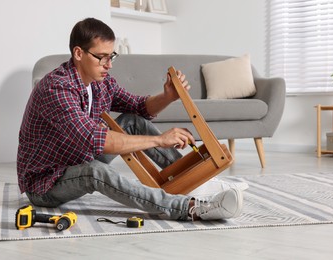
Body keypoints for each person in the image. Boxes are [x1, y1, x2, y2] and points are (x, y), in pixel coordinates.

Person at [17, 18, 243, 221]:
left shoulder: (100, 81)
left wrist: (167, 96)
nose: (109, 64)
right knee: (95, 171)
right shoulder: (57, 88)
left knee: (132, 121)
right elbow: (96, 140)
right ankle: (190, 208)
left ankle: (193, 184)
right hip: (47, 183)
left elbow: (138, 107)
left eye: (111, 56)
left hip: (78, 158)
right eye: (102, 57)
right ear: (78, 54)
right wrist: (159, 140)